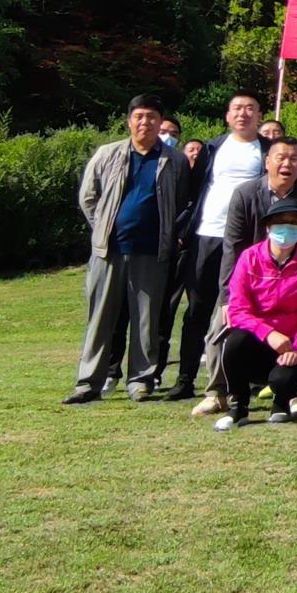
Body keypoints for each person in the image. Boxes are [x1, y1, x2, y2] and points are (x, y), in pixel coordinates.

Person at [65, 95, 192, 405]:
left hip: (152, 252)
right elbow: (88, 197)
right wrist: (103, 226)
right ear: (129, 121)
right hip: (109, 251)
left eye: (152, 116)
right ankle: (88, 382)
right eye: (139, 116)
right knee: (100, 318)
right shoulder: (108, 153)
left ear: (160, 122)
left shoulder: (174, 161)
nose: (145, 122)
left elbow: (180, 201)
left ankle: (141, 380)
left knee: (146, 320)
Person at [198, 136, 297, 415]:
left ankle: (290, 393)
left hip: (293, 273)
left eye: (294, 158)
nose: (287, 164)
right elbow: (232, 245)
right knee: (222, 327)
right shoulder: (245, 193)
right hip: (248, 272)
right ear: (267, 162)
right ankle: (217, 392)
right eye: (281, 157)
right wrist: (227, 296)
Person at [172, 93, 267, 404]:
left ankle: (245, 378)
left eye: (250, 109)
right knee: (197, 310)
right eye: (237, 108)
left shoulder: (267, 150)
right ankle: (186, 378)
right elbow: (195, 191)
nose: (243, 114)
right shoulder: (213, 148)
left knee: (245, 309)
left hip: (246, 242)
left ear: (260, 115)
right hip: (207, 235)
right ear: (227, 116)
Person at [213, 198, 297, 430]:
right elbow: (238, 309)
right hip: (258, 340)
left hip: (294, 343)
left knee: (281, 380)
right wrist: (269, 333)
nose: (288, 227)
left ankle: (282, 401)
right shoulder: (249, 257)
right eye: (281, 222)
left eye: (294, 223)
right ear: (268, 227)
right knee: (234, 342)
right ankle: (239, 406)